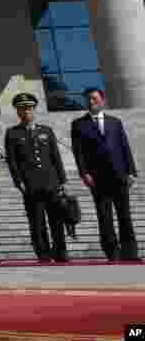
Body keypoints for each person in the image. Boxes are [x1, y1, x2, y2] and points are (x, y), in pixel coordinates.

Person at [71, 88, 140, 263]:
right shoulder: (79, 124)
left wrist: (131, 171)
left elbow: (124, 147)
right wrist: (83, 173)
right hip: (97, 178)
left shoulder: (115, 122)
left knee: (124, 215)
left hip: (119, 175)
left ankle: (130, 252)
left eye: (94, 98)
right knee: (104, 216)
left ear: (102, 100)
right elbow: (78, 152)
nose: (91, 102)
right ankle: (112, 252)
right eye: (88, 99)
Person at [4, 92, 68, 263]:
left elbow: (56, 157)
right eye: (22, 109)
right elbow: (12, 161)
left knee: (56, 220)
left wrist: (62, 180)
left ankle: (61, 252)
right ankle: (43, 253)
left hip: (51, 183)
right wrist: (18, 182)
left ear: (34, 109)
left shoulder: (46, 131)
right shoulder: (12, 133)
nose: (26, 112)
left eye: (29, 108)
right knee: (37, 222)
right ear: (17, 112)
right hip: (30, 185)